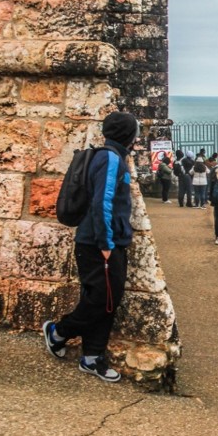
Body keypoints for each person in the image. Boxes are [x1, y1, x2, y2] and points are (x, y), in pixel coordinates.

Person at [42, 111, 139, 382]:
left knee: (107, 301)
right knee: (101, 300)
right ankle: (58, 332)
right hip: (99, 244)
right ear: (128, 135)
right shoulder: (110, 158)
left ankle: (92, 356)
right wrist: (106, 244)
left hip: (106, 242)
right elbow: (102, 203)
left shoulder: (114, 157)